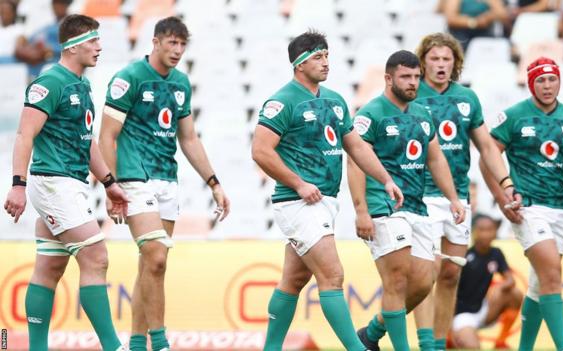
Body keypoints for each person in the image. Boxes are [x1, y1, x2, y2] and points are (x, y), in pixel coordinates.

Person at [251, 30, 404, 351]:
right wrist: (298, 183)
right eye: (318, 57)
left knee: (293, 280)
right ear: (299, 63)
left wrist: (385, 178)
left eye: (327, 56)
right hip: (297, 202)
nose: (326, 63)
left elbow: (357, 147)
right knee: (332, 276)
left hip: (325, 202)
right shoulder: (282, 101)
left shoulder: (334, 100)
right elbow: (261, 151)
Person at [99, 16, 230, 351]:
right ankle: (160, 343)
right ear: (155, 42)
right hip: (133, 179)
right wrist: (109, 185)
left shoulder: (181, 83)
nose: (178, 50)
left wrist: (213, 181)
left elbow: (188, 139)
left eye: (182, 44)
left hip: (167, 180)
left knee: (152, 265)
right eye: (172, 42)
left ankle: (136, 344)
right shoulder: (128, 78)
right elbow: (107, 136)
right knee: (156, 257)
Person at [3, 14, 128, 351]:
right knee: (96, 256)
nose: (99, 47)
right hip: (53, 183)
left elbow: (87, 141)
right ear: (72, 46)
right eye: (92, 41)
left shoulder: (82, 85)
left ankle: (36, 348)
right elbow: (24, 134)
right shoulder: (50, 83)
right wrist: (18, 184)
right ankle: (113, 347)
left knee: (49, 265)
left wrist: (109, 182)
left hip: (72, 184)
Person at [348, 50, 465, 351]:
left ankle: (372, 334)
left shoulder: (423, 114)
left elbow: (436, 158)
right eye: (406, 77)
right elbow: (354, 162)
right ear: (389, 78)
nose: (413, 83)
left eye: (416, 76)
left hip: (417, 205)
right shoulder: (370, 114)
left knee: (425, 281)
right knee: (397, 280)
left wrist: (453, 199)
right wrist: (361, 211)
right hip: (384, 207)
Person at [411, 32, 519, 351]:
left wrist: (506, 183)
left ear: (455, 63)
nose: (441, 65)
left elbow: (486, 145)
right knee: (424, 275)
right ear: (423, 62)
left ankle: (440, 342)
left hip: (457, 197)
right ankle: (424, 344)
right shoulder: (411, 96)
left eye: (447, 59)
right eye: (434, 59)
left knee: (448, 276)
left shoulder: (466, 98)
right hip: (421, 195)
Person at [481, 56, 563, 351]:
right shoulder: (514, 116)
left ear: (560, 81)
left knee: (538, 284)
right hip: (527, 207)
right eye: (540, 80)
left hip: (560, 208)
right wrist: (502, 197)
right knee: (551, 274)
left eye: (552, 79)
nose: (547, 85)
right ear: (531, 83)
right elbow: (487, 157)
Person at [451, 214, 523, 349]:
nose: (487, 234)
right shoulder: (465, 256)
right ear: (474, 232)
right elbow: (450, 292)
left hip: (485, 310)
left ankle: (501, 341)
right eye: (482, 230)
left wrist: (499, 287)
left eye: (490, 229)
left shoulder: (496, 253)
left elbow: (510, 280)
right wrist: (449, 328)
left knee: (515, 293)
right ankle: (454, 336)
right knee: (473, 347)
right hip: (464, 315)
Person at [14, 0, 72, 77]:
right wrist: (22, 42)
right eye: (55, 3)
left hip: (57, 65)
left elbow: (75, 46)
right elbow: (31, 40)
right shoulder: (48, 26)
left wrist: (51, 49)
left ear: (67, 5)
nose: (57, 6)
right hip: (36, 66)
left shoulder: (72, 25)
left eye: (61, 3)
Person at [443, 0, 507, 50]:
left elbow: (502, 14)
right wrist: (474, 22)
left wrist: (488, 16)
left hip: (484, 34)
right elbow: (450, 19)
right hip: (461, 35)